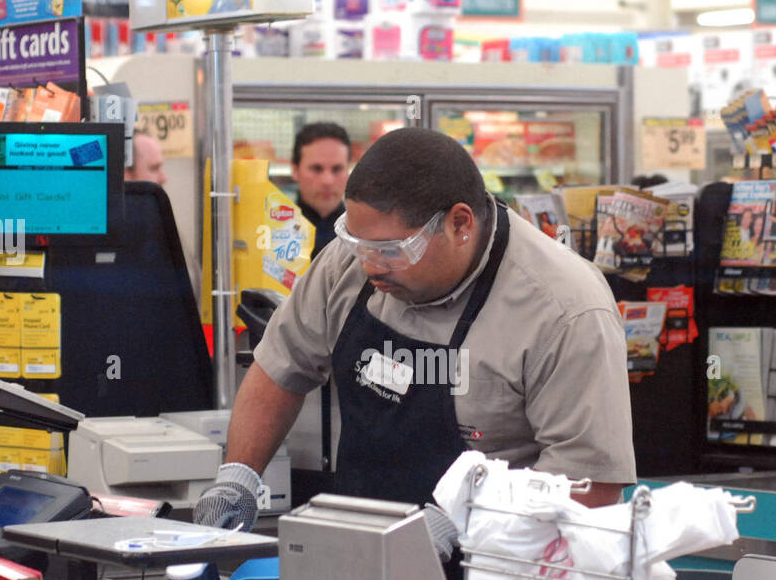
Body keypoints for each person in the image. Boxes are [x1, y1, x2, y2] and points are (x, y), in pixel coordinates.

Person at [193, 127, 636, 538]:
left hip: (496, 579)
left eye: (390, 250)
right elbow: (280, 367)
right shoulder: (352, 261)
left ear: (460, 223)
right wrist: (238, 479)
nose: (370, 265)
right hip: (360, 549)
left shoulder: (564, 311)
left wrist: (458, 525)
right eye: (357, 242)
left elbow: (590, 484)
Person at [291, 122, 350, 258]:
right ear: (295, 170)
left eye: (337, 169)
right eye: (316, 169)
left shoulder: (366, 238)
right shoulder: (272, 234)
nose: (327, 181)